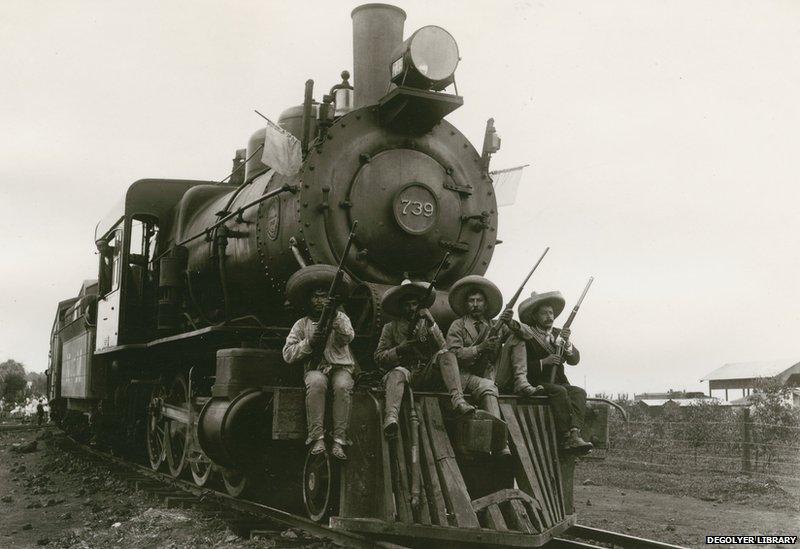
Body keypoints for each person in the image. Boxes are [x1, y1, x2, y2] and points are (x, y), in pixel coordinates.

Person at [374, 280, 475, 438]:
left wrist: (431, 321)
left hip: (424, 374)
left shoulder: (427, 324)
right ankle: (391, 418)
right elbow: (379, 357)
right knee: (398, 372)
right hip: (402, 374)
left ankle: (458, 400)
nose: (411, 308)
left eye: (414, 304)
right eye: (407, 304)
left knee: (446, 355)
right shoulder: (390, 328)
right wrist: (399, 349)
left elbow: (444, 347)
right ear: (400, 307)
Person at [445, 275, 531, 454]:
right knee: (488, 386)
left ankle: (521, 381)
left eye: (479, 300)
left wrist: (511, 323)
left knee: (517, 338)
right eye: (471, 301)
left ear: (486, 304)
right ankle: (500, 440)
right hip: (464, 375)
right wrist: (480, 348)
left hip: (491, 372)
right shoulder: (458, 325)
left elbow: (528, 336)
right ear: (466, 304)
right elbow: (452, 355)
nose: (475, 304)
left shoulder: (495, 324)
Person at [282, 265, 356, 461]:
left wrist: (334, 320)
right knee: (316, 383)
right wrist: (309, 343)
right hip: (316, 370)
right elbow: (288, 354)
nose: (319, 301)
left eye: (323, 297)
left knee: (342, 386)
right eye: (315, 297)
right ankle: (317, 438)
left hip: (341, 368)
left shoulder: (340, 318)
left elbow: (349, 336)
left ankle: (339, 440)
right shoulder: (301, 324)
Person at [513, 291, 593, 453]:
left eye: (551, 313)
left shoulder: (558, 334)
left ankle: (575, 433)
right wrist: (545, 362)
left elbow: (574, 360)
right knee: (560, 391)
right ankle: (564, 436)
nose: (549, 316)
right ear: (534, 316)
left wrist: (567, 343)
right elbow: (521, 365)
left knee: (579, 392)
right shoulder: (527, 334)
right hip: (536, 382)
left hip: (558, 382)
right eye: (544, 313)